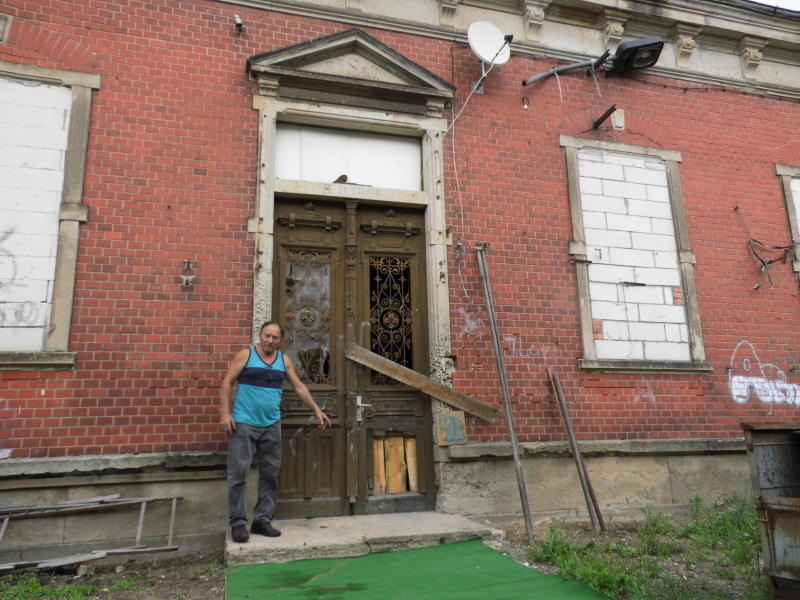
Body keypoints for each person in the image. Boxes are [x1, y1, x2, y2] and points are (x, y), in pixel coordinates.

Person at [220, 321, 331, 543]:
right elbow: (227, 383)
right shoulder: (246, 355)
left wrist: (316, 410)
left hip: (272, 425)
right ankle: (238, 523)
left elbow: (299, 386)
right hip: (243, 423)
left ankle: (262, 519)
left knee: (270, 474)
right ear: (260, 335)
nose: (269, 341)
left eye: (274, 337)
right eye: (266, 336)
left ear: (280, 340)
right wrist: (225, 414)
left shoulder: (284, 360)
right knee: (238, 474)